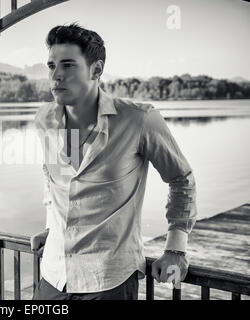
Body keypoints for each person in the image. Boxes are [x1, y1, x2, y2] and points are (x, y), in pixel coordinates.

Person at [31, 23, 197, 300]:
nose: (56, 75)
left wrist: (175, 248)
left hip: (110, 278)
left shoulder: (139, 119)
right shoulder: (45, 119)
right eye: (51, 65)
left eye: (68, 65)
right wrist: (52, 227)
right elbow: (53, 179)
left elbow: (181, 179)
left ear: (96, 70)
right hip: (53, 274)